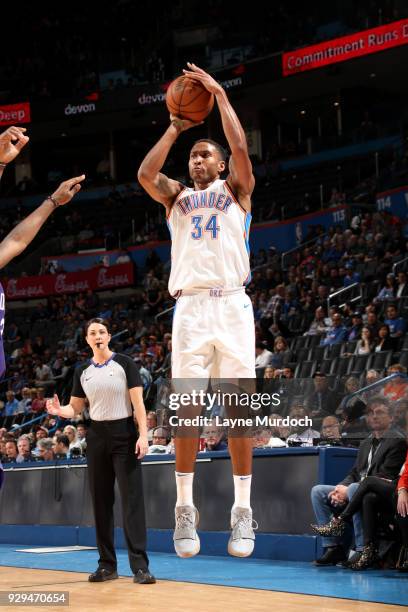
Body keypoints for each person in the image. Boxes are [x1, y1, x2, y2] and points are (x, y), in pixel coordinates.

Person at [138, 62, 257, 559]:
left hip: (231, 304)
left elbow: (243, 149)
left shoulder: (236, 192)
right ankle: (184, 509)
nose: (196, 160)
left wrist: (220, 97)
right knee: (185, 409)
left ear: (222, 165)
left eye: (204, 154)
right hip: (188, 309)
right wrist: (175, 126)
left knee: (239, 412)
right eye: (193, 156)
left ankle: (242, 512)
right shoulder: (176, 198)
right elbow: (146, 173)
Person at [46, 318, 155, 584]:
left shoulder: (125, 363)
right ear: (87, 339)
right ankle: (107, 565)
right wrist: (61, 411)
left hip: (124, 435)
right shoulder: (82, 370)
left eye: (102, 332)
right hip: (96, 437)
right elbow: (76, 407)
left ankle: (140, 567)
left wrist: (143, 435)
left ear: (108, 336)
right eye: (92, 333)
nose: (98, 336)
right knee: (101, 503)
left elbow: (138, 403)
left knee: (131, 502)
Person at [310, 396, 407, 567]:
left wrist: (349, 489)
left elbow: (385, 475)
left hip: (381, 494)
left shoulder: (397, 441)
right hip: (358, 487)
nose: (374, 417)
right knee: (318, 491)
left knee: (356, 487)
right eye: (370, 413)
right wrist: (341, 487)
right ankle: (333, 547)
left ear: (391, 417)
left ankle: (362, 549)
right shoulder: (366, 442)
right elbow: (355, 472)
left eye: (379, 413)